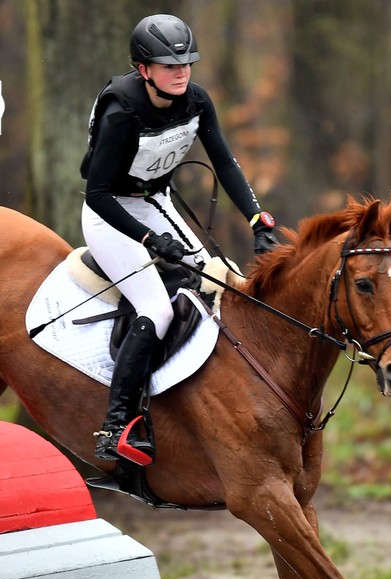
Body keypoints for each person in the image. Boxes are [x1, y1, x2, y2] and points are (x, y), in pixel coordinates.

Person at [80, 13, 279, 464]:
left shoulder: (197, 100)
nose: (182, 72)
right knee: (156, 307)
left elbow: (226, 163)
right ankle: (115, 426)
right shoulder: (121, 113)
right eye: (170, 65)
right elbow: (97, 195)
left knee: (217, 282)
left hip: (157, 201)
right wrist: (151, 239)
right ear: (143, 69)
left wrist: (257, 220)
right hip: (110, 212)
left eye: (186, 62)